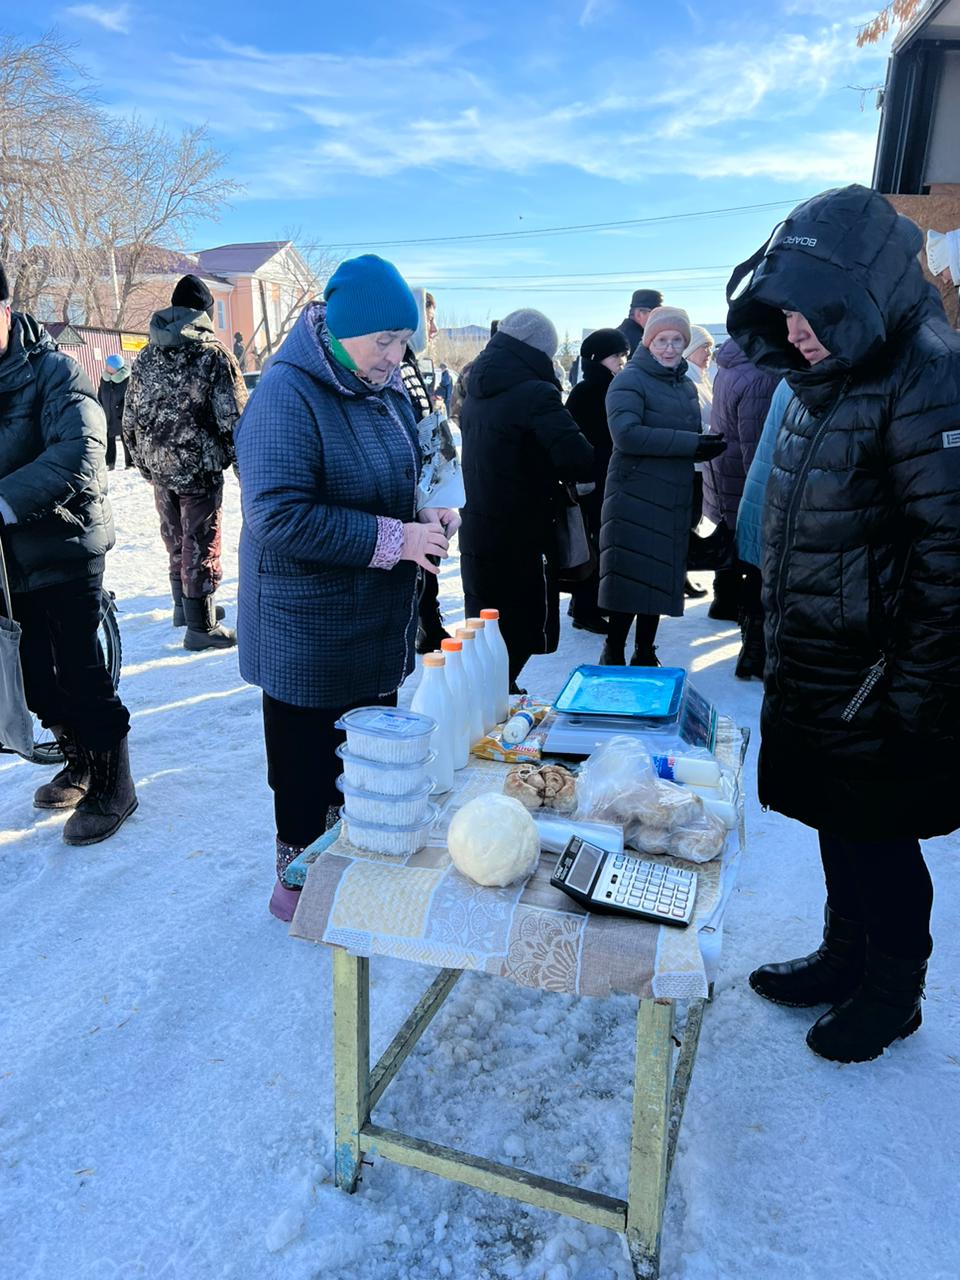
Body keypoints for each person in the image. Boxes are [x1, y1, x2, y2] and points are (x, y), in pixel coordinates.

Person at [726, 183, 960, 1063]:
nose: (793, 331)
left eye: (811, 312)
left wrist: (913, 687)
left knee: (880, 838)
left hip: (883, 673)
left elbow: (952, 557)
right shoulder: (827, 376)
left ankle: (894, 993)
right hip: (825, 658)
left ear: (864, 297)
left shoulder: (930, 376)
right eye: (784, 312)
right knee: (839, 821)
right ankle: (842, 955)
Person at [234, 254, 456, 922]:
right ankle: (299, 890)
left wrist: (426, 510)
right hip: (307, 628)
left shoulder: (382, 389)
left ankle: (353, 867)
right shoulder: (288, 394)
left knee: (366, 762)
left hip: (371, 619)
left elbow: (400, 472)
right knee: (308, 768)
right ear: (341, 329)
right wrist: (395, 540)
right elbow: (276, 516)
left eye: (403, 340)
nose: (396, 354)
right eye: (382, 340)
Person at [0, 261, 136, 845]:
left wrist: (3, 501)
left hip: (64, 543)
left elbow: (80, 450)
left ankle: (115, 783)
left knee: (79, 669)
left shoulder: (54, 371)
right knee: (29, 676)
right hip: (8, 564)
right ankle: (78, 760)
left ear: (5, 311)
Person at [459, 308, 593, 690]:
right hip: (524, 530)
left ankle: (494, 697)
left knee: (489, 625)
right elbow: (578, 458)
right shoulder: (536, 392)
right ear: (541, 351)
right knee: (520, 625)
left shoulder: (478, 386)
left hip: (480, 525)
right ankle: (496, 704)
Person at [123, 274, 246, 648]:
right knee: (201, 540)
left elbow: (129, 416)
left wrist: (144, 462)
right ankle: (201, 627)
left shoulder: (146, 354)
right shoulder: (213, 356)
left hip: (159, 466)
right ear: (205, 314)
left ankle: (185, 607)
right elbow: (234, 420)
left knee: (176, 537)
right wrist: (247, 470)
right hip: (199, 467)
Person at [598, 307, 725, 666]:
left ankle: (644, 650)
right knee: (630, 577)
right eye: (662, 340)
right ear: (648, 342)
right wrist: (691, 444)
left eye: (677, 341)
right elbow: (626, 435)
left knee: (658, 576)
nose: (670, 348)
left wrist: (705, 442)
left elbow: (680, 434)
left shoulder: (684, 383)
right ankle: (614, 648)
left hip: (672, 495)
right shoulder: (629, 380)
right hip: (634, 496)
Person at [564, 328, 629, 634]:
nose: (622, 361)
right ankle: (585, 609)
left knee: (598, 542)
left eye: (623, 354)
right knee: (592, 544)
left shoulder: (610, 387)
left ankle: (585, 604)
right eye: (616, 355)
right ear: (597, 359)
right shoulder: (588, 391)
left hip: (604, 478)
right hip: (592, 482)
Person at [682, 325, 715, 601]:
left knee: (693, 521)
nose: (709, 353)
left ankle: (682, 572)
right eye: (705, 347)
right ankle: (679, 574)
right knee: (686, 522)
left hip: (703, 464)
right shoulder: (687, 381)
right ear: (691, 349)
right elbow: (692, 422)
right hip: (691, 466)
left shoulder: (702, 379)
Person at [98, 354, 133, 470]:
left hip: (121, 414)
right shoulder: (105, 378)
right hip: (108, 414)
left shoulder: (127, 379)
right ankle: (109, 463)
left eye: (108, 365)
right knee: (108, 440)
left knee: (126, 439)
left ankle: (130, 463)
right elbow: (100, 395)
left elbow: (130, 397)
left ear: (116, 367)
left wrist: (123, 409)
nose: (106, 367)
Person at [617, 289, 664, 357]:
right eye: (655, 313)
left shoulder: (619, 334)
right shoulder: (641, 342)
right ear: (639, 314)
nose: (659, 317)